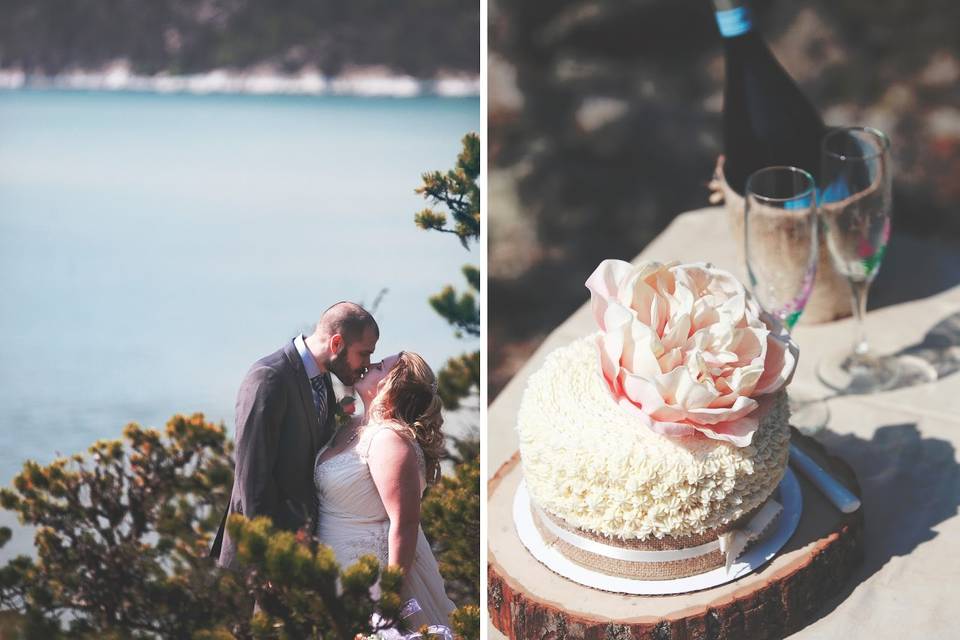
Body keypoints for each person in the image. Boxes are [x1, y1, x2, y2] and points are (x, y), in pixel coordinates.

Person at [211, 302, 379, 569]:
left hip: (304, 545)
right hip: (270, 551)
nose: (367, 365)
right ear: (337, 344)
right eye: (364, 354)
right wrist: (267, 556)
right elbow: (253, 477)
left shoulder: (321, 379)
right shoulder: (269, 378)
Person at [314, 351, 456, 632]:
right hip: (330, 575)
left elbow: (404, 523)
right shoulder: (352, 428)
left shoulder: (390, 439)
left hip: (371, 581)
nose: (368, 365)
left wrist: (388, 599)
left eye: (379, 366)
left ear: (394, 385)